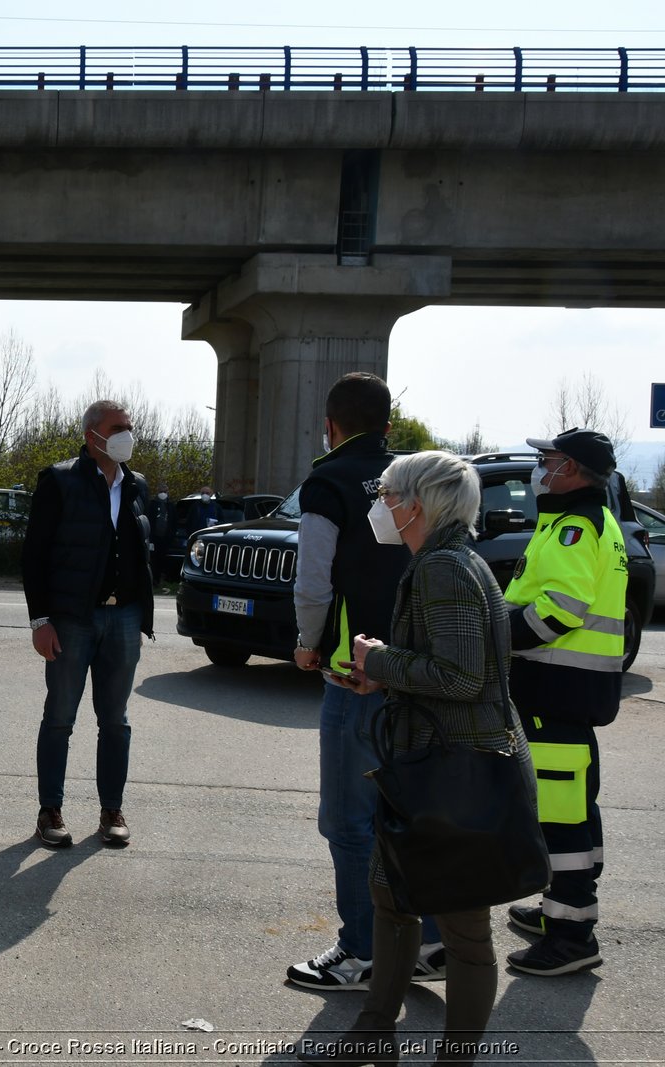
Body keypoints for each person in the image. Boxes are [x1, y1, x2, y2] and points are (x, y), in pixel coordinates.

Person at [299, 450, 531, 1067]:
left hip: (452, 775)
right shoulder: (444, 562)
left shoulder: (445, 570)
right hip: (428, 769)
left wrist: (377, 661)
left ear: (417, 505)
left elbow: (458, 679)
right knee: (391, 897)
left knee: (463, 930)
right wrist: (380, 680)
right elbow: (453, 672)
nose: (381, 505)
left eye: (388, 494)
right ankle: (374, 1034)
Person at [287, 372, 445, 992]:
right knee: (408, 813)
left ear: (330, 425)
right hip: (417, 671)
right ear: (389, 423)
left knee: (349, 822)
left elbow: (313, 577)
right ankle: (430, 942)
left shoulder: (326, 482)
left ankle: (362, 951)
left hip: (356, 673)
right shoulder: (415, 480)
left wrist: (306, 642)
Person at [501, 428, 626, 977]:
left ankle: (572, 936)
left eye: (546, 460)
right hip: (571, 692)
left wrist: (494, 631)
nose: (538, 468)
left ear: (571, 469)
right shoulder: (588, 520)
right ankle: (562, 910)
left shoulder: (576, 526)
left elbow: (559, 612)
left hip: (557, 690)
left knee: (561, 818)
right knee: (574, 808)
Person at [21, 400, 155, 849]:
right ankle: (50, 810)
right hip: (72, 619)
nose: (127, 436)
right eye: (118, 428)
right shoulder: (60, 481)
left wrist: (140, 613)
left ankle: (111, 809)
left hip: (124, 617)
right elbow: (35, 557)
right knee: (59, 718)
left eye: (129, 428)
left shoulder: (136, 485)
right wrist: (41, 619)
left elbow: (139, 552)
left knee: (115, 721)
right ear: (91, 435)